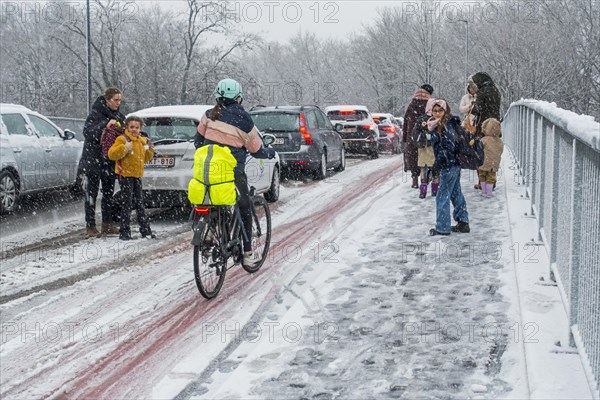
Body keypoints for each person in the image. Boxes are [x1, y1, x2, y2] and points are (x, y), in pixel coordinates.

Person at [196, 78, 275, 267]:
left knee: (212, 200)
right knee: (244, 207)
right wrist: (269, 152)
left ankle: (210, 228)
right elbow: (256, 150)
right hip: (232, 172)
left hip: (207, 171)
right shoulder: (244, 119)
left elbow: (198, 142)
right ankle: (248, 253)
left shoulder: (208, 115)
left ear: (217, 95)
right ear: (239, 98)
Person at [81, 87, 125, 237]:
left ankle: (107, 224)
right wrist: (104, 125)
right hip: (93, 159)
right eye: (115, 100)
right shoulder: (95, 114)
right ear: (107, 100)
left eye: (120, 100)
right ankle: (90, 226)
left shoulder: (118, 116)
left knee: (108, 194)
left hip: (109, 160)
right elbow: (87, 132)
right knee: (91, 194)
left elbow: (126, 131)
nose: (118, 103)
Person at [107, 116, 155, 240]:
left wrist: (150, 150)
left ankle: (145, 230)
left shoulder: (141, 141)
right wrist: (125, 148)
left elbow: (145, 158)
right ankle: (125, 232)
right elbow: (111, 154)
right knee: (127, 204)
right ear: (127, 127)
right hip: (125, 176)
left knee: (140, 204)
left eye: (137, 127)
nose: (134, 129)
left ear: (140, 128)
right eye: (132, 127)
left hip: (137, 175)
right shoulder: (122, 139)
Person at [427, 99, 470, 236]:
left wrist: (438, 162)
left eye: (440, 110)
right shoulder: (442, 124)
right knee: (455, 193)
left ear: (445, 111)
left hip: (449, 165)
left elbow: (448, 146)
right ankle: (463, 222)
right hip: (453, 164)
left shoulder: (445, 125)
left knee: (442, 196)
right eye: (435, 110)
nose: (437, 113)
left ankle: (443, 227)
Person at [468, 72, 501, 190]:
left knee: (480, 153)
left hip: (484, 126)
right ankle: (492, 180)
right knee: (492, 154)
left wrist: (472, 108)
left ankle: (481, 181)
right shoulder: (496, 91)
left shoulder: (483, 92)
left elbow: (477, 109)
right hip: (494, 127)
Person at [403, 84, 433, 188]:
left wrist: (405, 137)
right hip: (425, 135)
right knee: (426, 156)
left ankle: (414, 179)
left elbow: (406, 121)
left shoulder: (412, 104)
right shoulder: (430, 104)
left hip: (412, 134)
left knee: (413, 156)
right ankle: (425, 178)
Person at [412, 98, 439, 198]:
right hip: (433, 148)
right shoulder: (436, 119)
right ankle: (435, 191)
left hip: (422, 149)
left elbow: (415, 133)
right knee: (435, 170)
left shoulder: (421, 119)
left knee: (423, 169)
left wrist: (420, 141)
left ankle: (423, 192)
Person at [479, 118, 504, 197]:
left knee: (482, 175)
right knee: (491, 178)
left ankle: (483, 191)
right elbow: (501, 151)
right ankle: (489, 192)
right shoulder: (500, 141)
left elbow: (479, 149)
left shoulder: (483, 140)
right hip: (494, 163)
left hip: (483, 162)